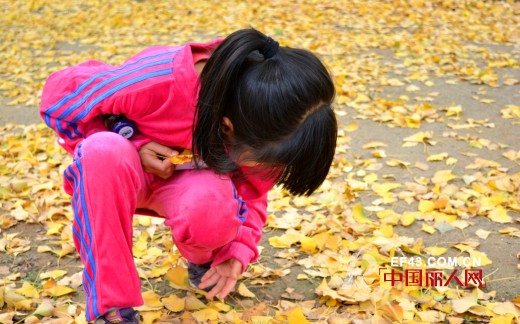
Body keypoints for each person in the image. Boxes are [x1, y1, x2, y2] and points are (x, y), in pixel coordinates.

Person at [40, 28, 337, 323]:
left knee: (209, 201)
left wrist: (237, 249)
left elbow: (253, 191)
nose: (270, 173)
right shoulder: (155, 80)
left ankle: (202, 259)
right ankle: (112, 306)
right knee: (101, 151)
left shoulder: (263, 118)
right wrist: (133, 142)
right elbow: (60, 100)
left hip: (189, 185)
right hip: (120, 172)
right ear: (228, 127)